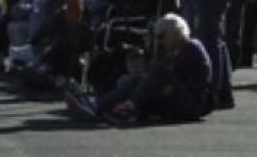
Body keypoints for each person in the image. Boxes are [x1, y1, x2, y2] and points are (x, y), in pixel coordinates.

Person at [66, 13, 212, 124]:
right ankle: (97, 105)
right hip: (175, 97)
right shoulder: (174, 52)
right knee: (138, 80)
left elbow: (167, 75)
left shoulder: (192, 48)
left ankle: (128, 106)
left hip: (192, 103)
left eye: (162, 36)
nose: (160, 41)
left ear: (175, 33)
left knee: (155, 71)